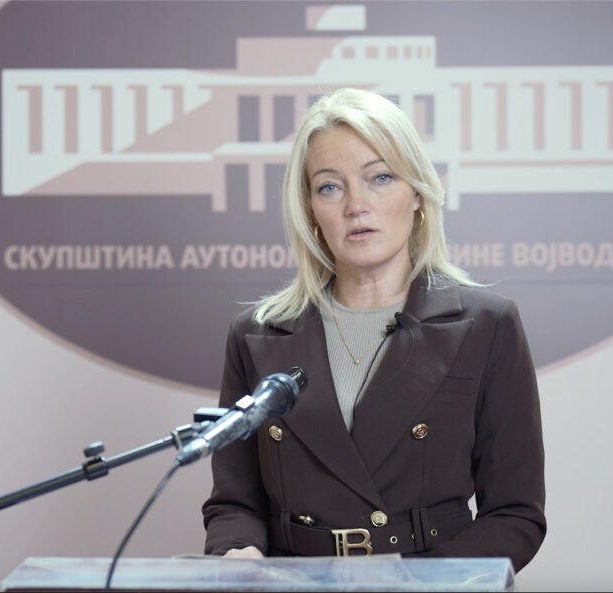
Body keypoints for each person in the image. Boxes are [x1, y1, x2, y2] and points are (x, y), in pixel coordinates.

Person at [201, 88, 546, 571]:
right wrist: (238, 552)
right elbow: (235, 503)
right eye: (329, 187)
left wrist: (416, 583)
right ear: (311, 211)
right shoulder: (256, 335)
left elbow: (515, 515)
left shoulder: (488, 325)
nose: (355, 205)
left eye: (380, 177)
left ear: (418, 193)